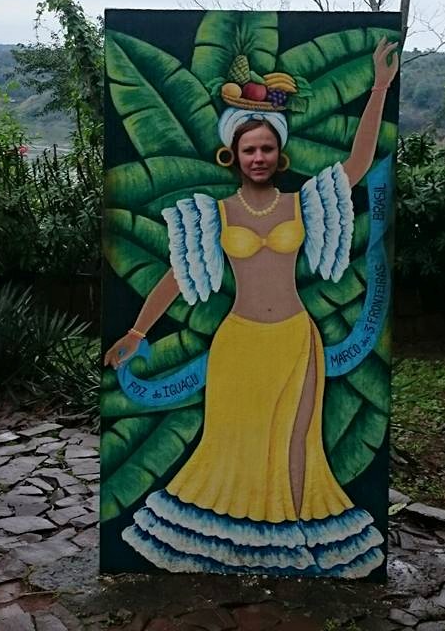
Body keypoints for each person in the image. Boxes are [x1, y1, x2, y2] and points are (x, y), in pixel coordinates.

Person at [104, 38, 399, 576]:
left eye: (266, 148)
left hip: (294, 339)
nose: (258, 158)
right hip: (237, 345)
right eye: (249, 150)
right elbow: (175, 278)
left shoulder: (302, 203)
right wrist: (136, 332)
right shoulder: (213, 214)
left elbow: (357, 163)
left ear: (278, 152)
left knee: (298, 439)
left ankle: (297, 537)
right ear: (233, 154)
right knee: (233, 442)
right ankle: (234, 543)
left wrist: (379, 86)